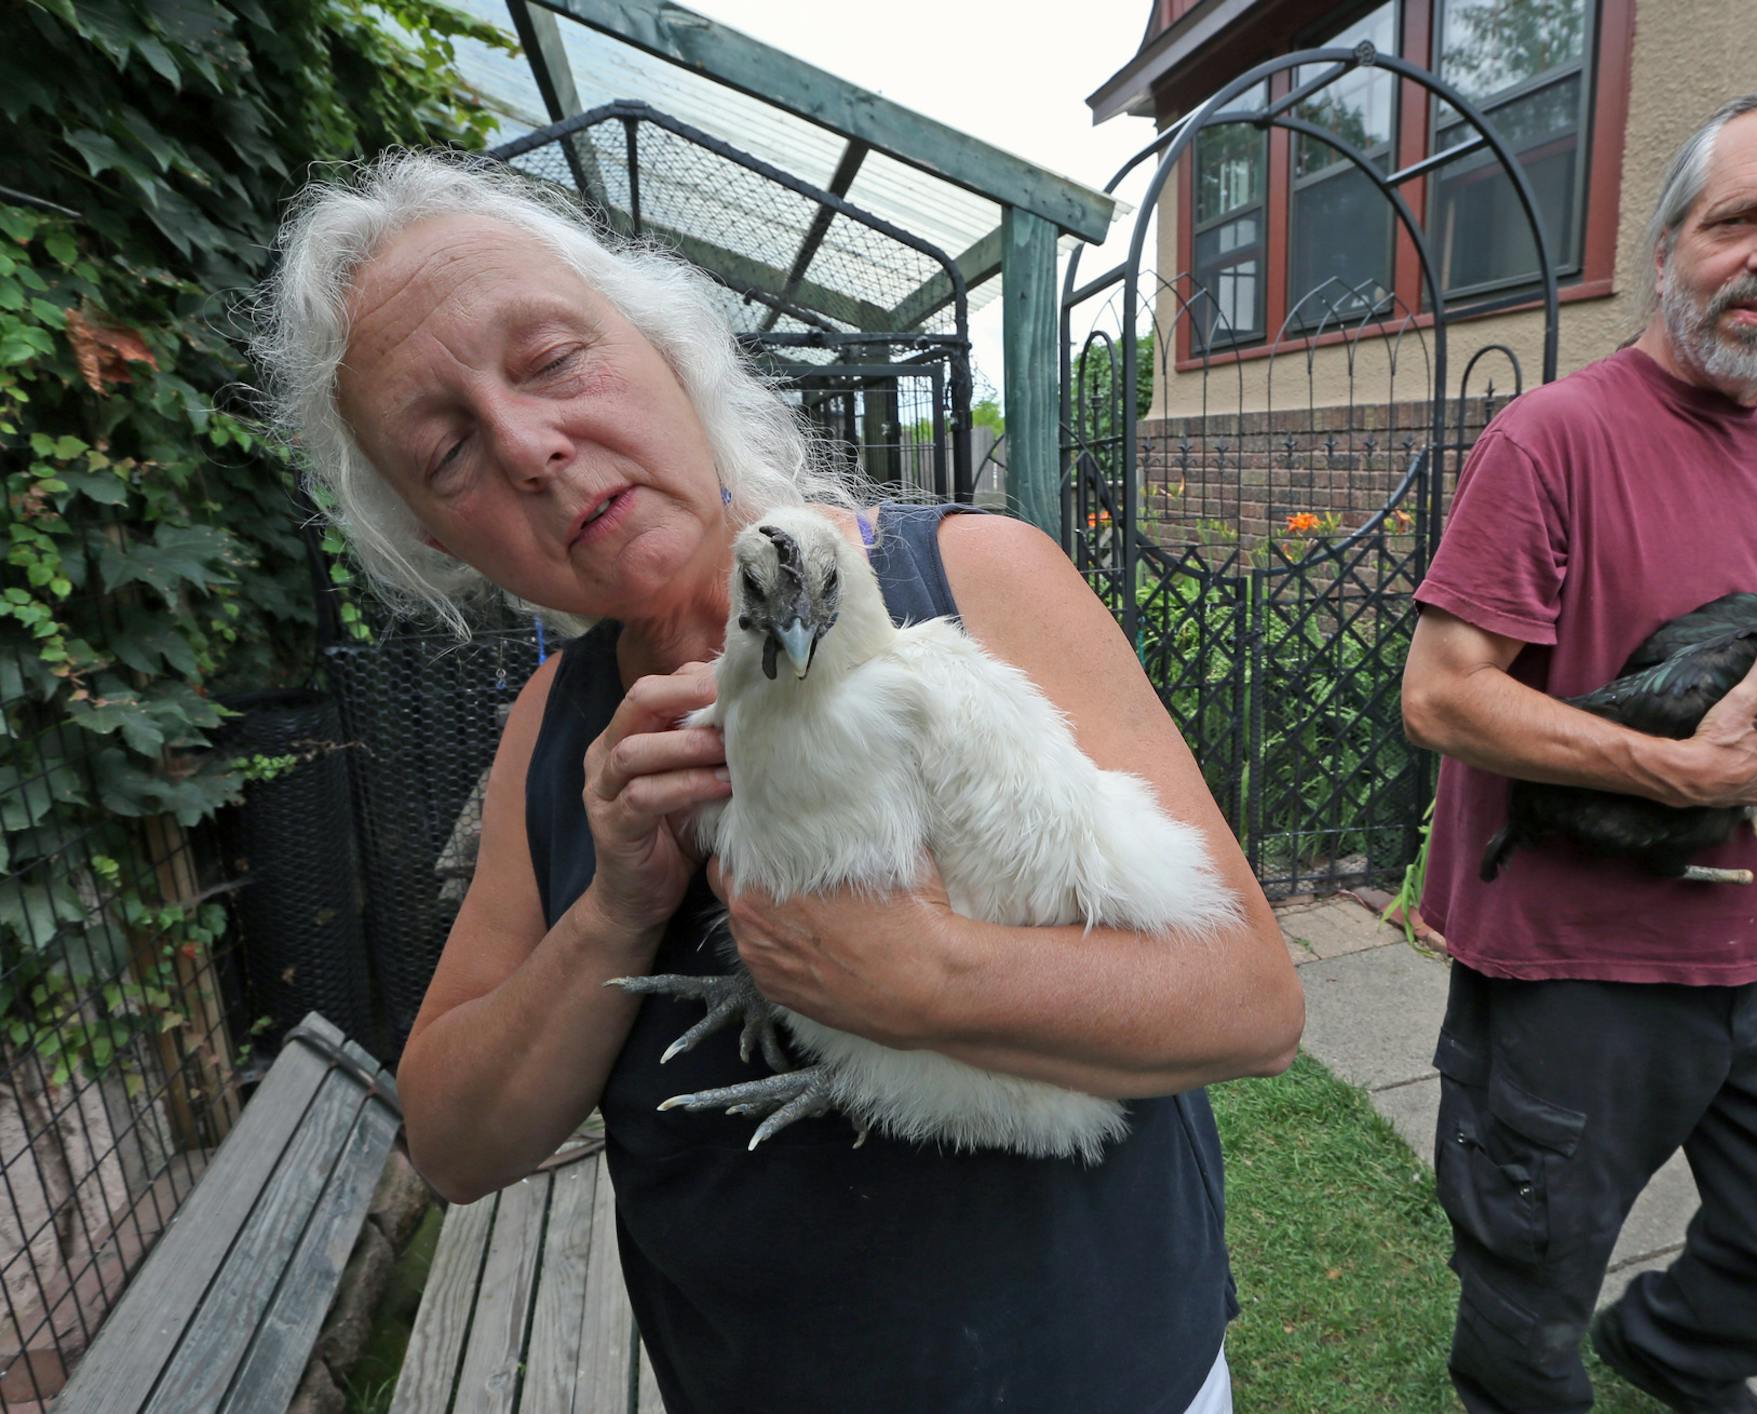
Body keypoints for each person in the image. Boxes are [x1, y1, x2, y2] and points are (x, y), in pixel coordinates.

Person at [252, 150, 1302, 1414]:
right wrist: (613, 910)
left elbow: (1249, 1003)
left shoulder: (973, 583)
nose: (530, 446)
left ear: (667, 344)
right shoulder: (551, 730)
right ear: (437, 535)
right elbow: (457, 1143)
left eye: (548, 359)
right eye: (448, 451)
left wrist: (917, 975)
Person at [1399, 80, 1757, 1413]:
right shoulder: (1555, 437)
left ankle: (1672, 1350)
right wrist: (1670, 770)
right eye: (1743, 216)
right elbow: (1445, 695)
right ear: (1672, 240)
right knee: (1532, 1276)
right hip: (1580, 947)